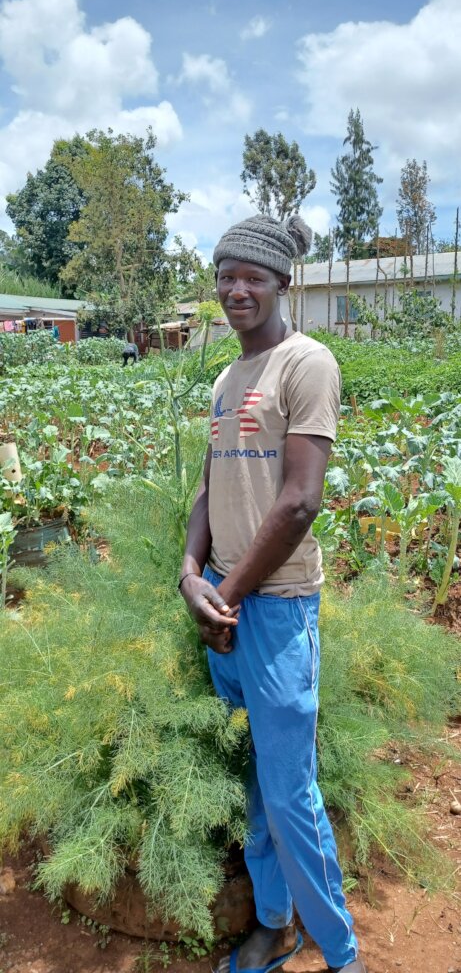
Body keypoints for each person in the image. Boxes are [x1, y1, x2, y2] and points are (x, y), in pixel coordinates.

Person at [179, 214, 366, 973]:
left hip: (276, 606)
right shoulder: (227, 378)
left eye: (252, 276)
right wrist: (190, 576)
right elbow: (207, 488)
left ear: (282, 283)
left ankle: (342, 954)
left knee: (291, 795)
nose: (236, 289)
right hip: (224, 602)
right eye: (226, 275)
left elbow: (299, 501)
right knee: (255, 783)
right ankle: (272, 923)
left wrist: (223, 591)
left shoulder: (306, 362)